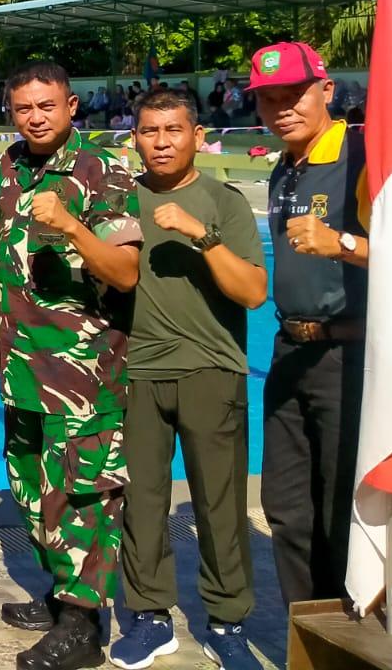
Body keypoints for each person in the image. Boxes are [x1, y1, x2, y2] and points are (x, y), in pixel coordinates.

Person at [0, 61, 141, 670]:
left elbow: (126, 272)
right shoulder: (11, 165)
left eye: (47, 105)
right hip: (22, 360)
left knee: (81, 494)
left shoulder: (103, 169)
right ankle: (59, 593)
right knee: (27, 483)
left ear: (72, 106)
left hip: (83, 369)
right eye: (23, 108)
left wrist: (71, 225)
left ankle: (83, 622)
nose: (35, 117)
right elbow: (5, 248)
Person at [106, 87, 265, 670]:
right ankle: (150, 617)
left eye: (173, 130)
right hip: (140, 371)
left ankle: (227, 621)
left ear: (197, 136)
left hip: (210, 370)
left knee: (218, 505)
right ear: (136, 138)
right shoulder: (124, 200)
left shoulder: (223, 201)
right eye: (150, 131)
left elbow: (252, 292)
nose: (162, 141)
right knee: (141, 503)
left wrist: (202, 235)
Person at [248, 42, 369, 608]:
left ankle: (359, 632)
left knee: (345, 506)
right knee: (287, 507)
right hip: (288, 350)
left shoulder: (365, 153)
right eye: (268, 99)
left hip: (348, 355)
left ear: (326, 89)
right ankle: (309, 631)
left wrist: (341, 244)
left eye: (293, 94)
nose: (281, 108)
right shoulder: (285, 166)